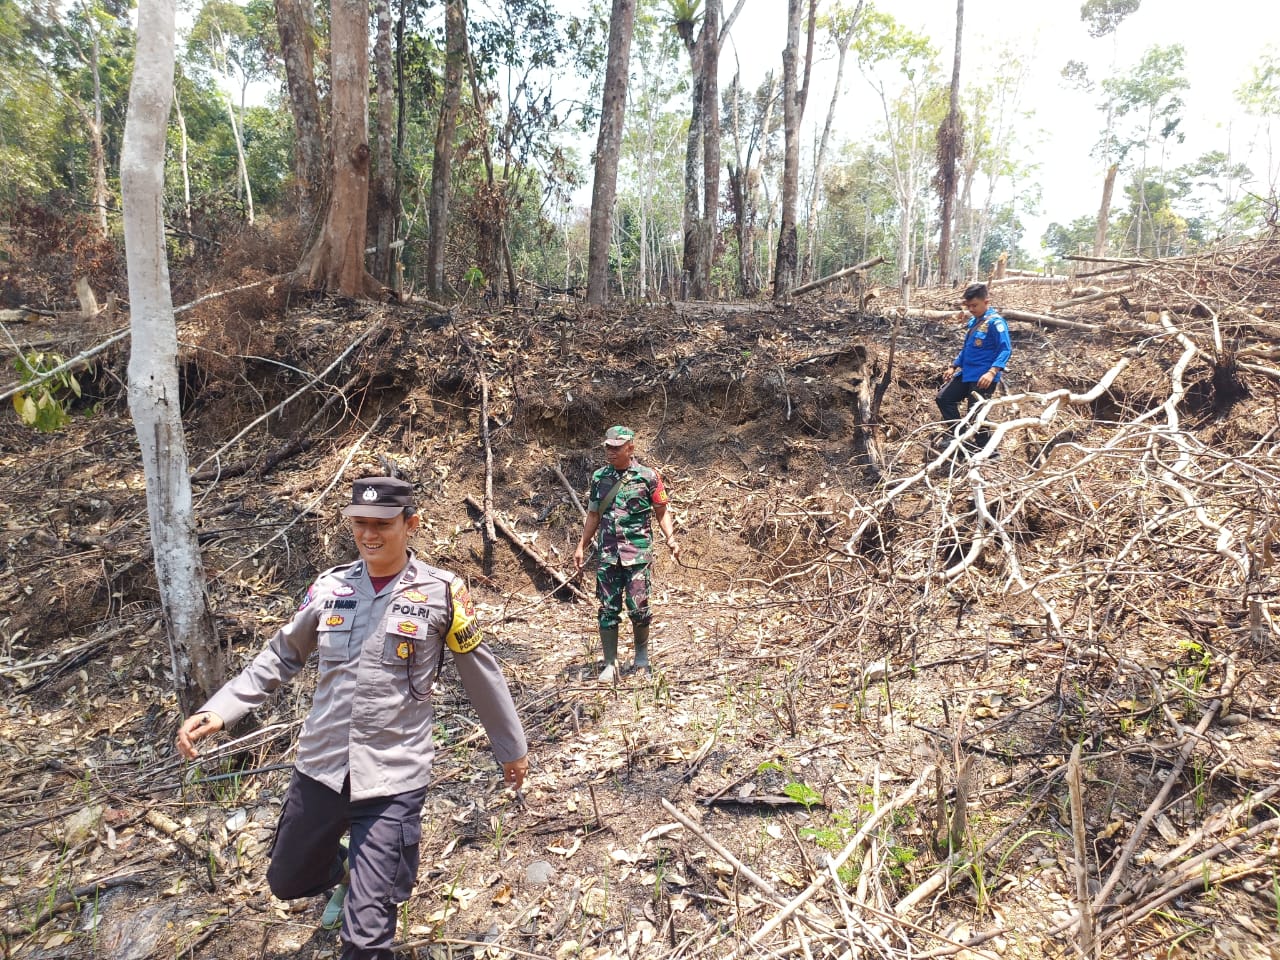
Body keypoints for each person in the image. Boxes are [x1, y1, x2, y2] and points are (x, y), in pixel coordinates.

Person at [176, 476, 528, 960]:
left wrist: (511, 748)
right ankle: (350, 873)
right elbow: (280, 656)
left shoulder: (443, 593)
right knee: (287, 878)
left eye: (382, 524)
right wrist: (221, 709)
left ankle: (368, 887)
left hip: (392, 778)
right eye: (360, 523)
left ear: (411, 524)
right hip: (321, 768)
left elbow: (480, 673)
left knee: (365, 942)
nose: (369, 534)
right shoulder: (329, 588)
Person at [572, 426, 680, 682]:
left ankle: (641, 658)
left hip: (637, 554)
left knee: (639, 607)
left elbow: (662, 511)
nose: (611, 452)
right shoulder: (600, 477)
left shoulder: (648, 477)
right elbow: (594, 515)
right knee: (607, 608)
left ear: (630, 447)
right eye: (608, 447)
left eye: (616, 447)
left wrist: (671, 538)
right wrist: (581, 545)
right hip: (608, 554)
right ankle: (610, 663)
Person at [935, 281, 1013, 455]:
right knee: (943, 398)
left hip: (983, 377)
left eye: (975, 305)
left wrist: (992, 372)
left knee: (977, 412)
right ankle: (960, 436)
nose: (971, 309)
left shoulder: (996, 323)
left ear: (986, 302)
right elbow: (967, 349)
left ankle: (988, 451)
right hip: (966, 373)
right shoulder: (974, 322)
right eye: (969, 306)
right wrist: (954, 365)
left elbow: (1005, 349)